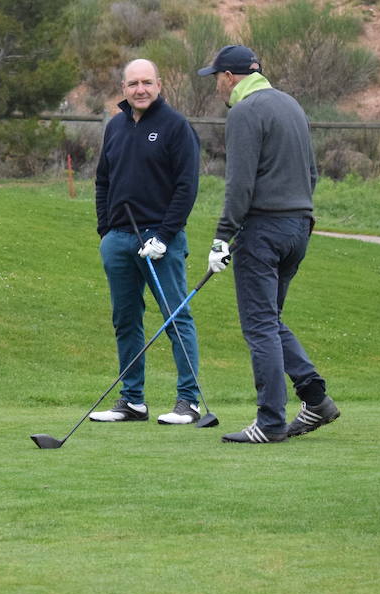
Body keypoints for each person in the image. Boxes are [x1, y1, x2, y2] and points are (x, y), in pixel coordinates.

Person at [198, 44, 335, 444]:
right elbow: (311, 172)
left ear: (228, 77)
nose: (217, 88)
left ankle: (270, 422)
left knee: (259, 325)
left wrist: (222, 236)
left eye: (216, 80)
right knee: (270, 320)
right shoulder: (291, 105)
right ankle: (316, 399)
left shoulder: (245, 111)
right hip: (298, 227)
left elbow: (239, 183)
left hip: (263, 231)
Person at [90, 59, 206, 425]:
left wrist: (165, 236)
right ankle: (132, 401)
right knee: (125, 319)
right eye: (133, 83)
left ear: (159, 85)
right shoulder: (115, 127)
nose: (140, 89)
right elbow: (103, 182)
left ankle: (189, 401)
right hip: (119, 239)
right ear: (123, 88)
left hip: (161, 240)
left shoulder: (175, 126)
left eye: (147, 82)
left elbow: (187, 187)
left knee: (175, 317)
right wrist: (105, 230)